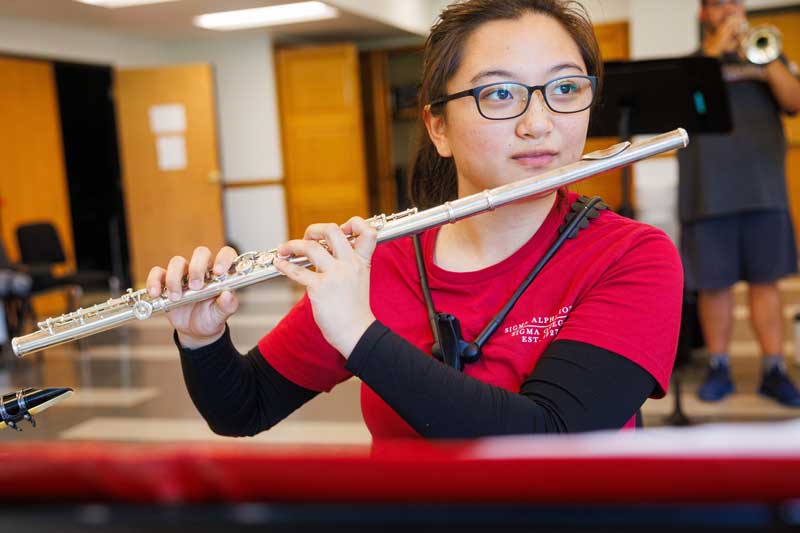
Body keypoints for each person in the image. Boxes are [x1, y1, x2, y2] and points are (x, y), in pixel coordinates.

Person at [149, 0, 683, 440]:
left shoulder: (632, 256)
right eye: (500, 94)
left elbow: (555, 437)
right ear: (439, 127)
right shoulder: (378, 264)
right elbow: (244, 408)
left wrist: (358, 333)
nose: (539, 123)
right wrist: (202, 340)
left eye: (565, 88)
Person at [678, 0, 800, 406]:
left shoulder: (767, 53)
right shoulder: (694, 63)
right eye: (718, 4)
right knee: (714, 286)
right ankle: (718, 365)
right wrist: (716, 47)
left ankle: (774, 369)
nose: (728, 10)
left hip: (763, 190)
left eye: (734, 2)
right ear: (703, 15)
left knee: (766, 282)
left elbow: (793, 101)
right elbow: (685, 105)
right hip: (707, 191)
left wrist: (764, 58)